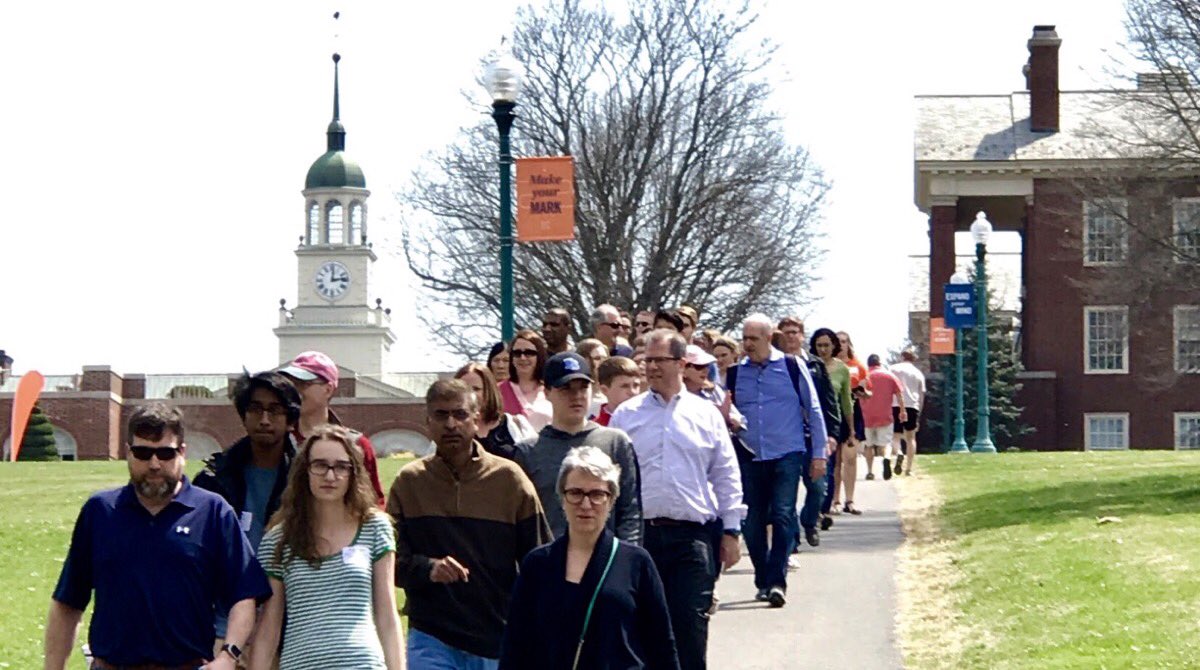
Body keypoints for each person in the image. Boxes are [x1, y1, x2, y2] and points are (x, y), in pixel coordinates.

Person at [45, 403, 271, 670]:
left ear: (182, 453)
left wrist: (228, 655)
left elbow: (244, 594)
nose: (154, 464)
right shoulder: (100, 511)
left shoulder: (212, 511)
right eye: (143, 453)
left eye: (165, 453)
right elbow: (68, 602)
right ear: (128, 453)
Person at [387, 380, 551, 668]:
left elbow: (539, 562)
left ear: (476, 420)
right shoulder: (409, 482)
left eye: (460, 414)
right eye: (441, 415)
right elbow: (388, 564)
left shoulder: (509, 480)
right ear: (427, 422)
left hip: (495, 634)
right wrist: (429, 568)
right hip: (431, 635)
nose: (451, 423)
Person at [608, 329, 745, 670]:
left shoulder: (706, 414)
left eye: (660, 360)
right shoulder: (626, 415)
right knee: (642, 633)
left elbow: (725, 474)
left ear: (681, 364)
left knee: (688, 628)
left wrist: (731, 531)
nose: (651, 367)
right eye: (647, 360)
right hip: (640, 538)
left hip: (692, 538)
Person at [500, 447, 680, 670]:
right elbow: (516, 645)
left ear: (611, 500)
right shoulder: (537, 564)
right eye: (575, 493)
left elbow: (661, 645)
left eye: (597, 495)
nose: (585, 505)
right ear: (562, 498)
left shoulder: (636, 562)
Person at [252, 425, 405, 670]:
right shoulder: (277, 540)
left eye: (341, 467)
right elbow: (269, 625)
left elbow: (387, 615)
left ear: (353, 473)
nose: (330, 476)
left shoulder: (375, 527)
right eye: (320, 465)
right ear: (305, 471)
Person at [193, 371, 302, 654]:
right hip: (220, 629)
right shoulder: (214, 478)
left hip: (287, 632)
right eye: (255, 409)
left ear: (291, 419)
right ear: (243, 415)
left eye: (275, 410)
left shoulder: (306, 480)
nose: (264, 419)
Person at [726, 314, 830, 608]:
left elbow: (813, 408)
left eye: (753, 339)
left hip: (787, 451)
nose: (747, 345)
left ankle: (777, 580)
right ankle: (763, 576)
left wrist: (819, 453)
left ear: (769, 338)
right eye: (744, 338)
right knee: (753, 520)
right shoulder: (735, 374)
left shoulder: (791, 366)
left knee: (783, 514)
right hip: (750, 454)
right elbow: (725, 412)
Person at [514, 352, 642, 543]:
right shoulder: (528, 451)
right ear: (547, 392)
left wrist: (627, 562)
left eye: (583, 388)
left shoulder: (616, 443)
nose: (577, 396)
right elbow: (521, 520)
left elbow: (630, 512)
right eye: (566, 389)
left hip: (605, 561)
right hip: (549, 562)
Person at [278, 351, 386, 506]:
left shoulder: (356, 445)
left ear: (328, 389)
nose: (295, 392)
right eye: (291, 384)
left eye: (304, 384)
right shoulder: (279, 442)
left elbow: (375, 503)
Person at [809, 329, 854, 535]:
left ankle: (822, 509)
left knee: (829, 468)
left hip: (831, 424)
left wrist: (851, 429)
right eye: (819, 346)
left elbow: (846, 401)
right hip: (808, 426)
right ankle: (812, 510)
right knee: (810, 471)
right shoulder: (807, 366)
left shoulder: (842, 369)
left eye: (827, 345)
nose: (823, 350)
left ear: (834, 346)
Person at [455, 362, 536, 460]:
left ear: (489, 391)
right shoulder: (450, 430)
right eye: (464, 389)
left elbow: (536, 463)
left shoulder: (516, 425)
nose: (470, 395)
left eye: (476, 389)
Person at [860, 354, 906, 485]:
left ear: (868, 364)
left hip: (866, 416)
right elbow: (899, 393)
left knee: (868, 445)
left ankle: (869, 471)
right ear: (880, 363)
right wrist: (902, 411)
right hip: (885, 415)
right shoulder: (889, 376)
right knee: (885, 444)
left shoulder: (864, 376)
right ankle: (886, 458)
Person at [497, 329, 554, 431]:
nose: (522, 358)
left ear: (539, 356)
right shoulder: (497, 391)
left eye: (529, 353)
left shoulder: (553, 390)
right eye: (517, 353)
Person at [889, 348, 927, 475]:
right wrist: (919, 413)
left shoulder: (893, 369)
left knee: (895, 436)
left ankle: (899, 453)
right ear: (914, 359)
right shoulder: (918, 373)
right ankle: (909, 468)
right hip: (912, 406)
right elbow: (921, 395)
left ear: (902, 357)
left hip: (895, 404)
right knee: (911, 438)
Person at [595, 356, 642, 426]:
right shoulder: (597, 427)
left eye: (636, 385)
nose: (632, 392)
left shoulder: (648, 419)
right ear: (604, 390)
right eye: (625, 386)